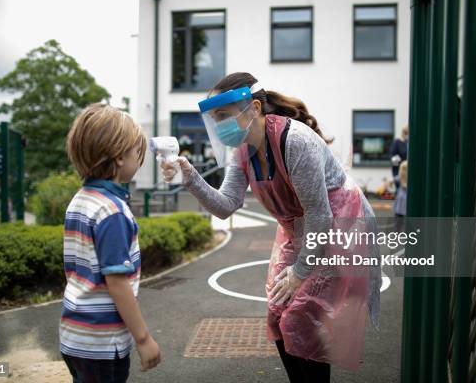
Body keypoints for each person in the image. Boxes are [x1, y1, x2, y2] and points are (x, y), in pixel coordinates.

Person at [160, 72, 381, 382]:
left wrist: (300, 272)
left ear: (254, 108)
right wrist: (190, 177)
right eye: (214, 117)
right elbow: (225, 206)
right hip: (298, 227)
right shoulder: (242, 151)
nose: (219, 123)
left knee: (302, 314)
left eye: (223, 115)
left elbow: (320, 213)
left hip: (338, 223)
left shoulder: (296, 141)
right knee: (277, 314)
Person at [61, 103, 161, 383]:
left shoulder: (80, 200)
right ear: (119, 157)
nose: (139, 161)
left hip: (75, 335)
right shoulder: (112, 211)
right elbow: (117, 282)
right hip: (103, 343)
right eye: (135, 153)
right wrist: (143, 339)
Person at [389, 125, 408, 192]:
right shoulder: (397, 142)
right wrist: (399, 162)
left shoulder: (407, 143)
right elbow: (392, 157)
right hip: (399, 171)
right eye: (406, 133)